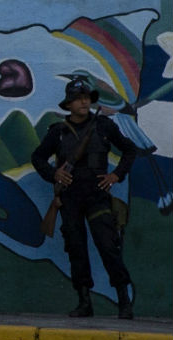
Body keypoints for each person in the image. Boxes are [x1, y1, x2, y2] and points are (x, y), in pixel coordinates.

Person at [31, 78, 138, 319]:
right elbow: (37, 158)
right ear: (68, 104)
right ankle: (84, 302)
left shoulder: (103, 126)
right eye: (79, 98)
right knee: (76, 248)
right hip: (70, 199)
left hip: (97, 196)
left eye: (87, 97)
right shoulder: (57, 132)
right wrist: (54, 174)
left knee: (108, 245)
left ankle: (124, 301)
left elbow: (130, 150)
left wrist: (116, 175)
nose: (84, 102)